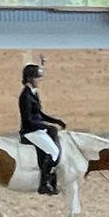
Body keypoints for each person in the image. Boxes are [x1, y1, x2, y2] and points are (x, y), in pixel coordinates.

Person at [18, 63, 67, 196]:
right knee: (54, 151)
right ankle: (43, 184)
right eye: (37, 77)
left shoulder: (34, 93)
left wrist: (55, 121)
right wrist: (46, 126)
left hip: (37, 129)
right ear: (30, 78)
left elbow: (39, 114)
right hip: (30, 131)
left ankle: (52, 180)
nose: (40, 80)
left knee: (56, 143)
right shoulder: (25, 96)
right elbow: (28, 120)